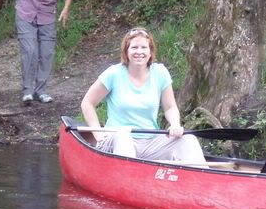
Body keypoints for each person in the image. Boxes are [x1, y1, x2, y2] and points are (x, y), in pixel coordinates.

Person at [79, 27, 206, 163]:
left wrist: (175, 124)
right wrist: (99, 135)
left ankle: (202, 179)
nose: (139, 52)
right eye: (134, 47)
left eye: (144, 48)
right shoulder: (113, 74)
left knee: (188, 139)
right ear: (126, 51)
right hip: (117, 139)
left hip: (151, 141)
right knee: (124, 137)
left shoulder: (160, 73)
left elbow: (170, 107)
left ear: (150, 52)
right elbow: (87, 103)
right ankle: (127, 178)